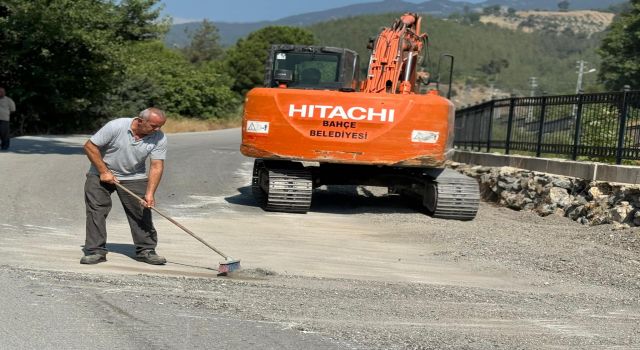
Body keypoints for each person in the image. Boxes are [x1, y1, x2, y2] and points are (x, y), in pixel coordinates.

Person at [81, 107, 168, 265]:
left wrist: (150, 193)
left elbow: (156, 166)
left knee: (141, 211)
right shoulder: (116, 126)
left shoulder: (159, 137)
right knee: (96, 210)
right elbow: (89, 146)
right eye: (154, 126)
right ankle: (95, 251)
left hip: (134, 175)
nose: (158, 129)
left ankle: (146, 250)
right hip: (101, 173)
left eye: (160, 126)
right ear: (140, 121)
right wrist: (103, 171)